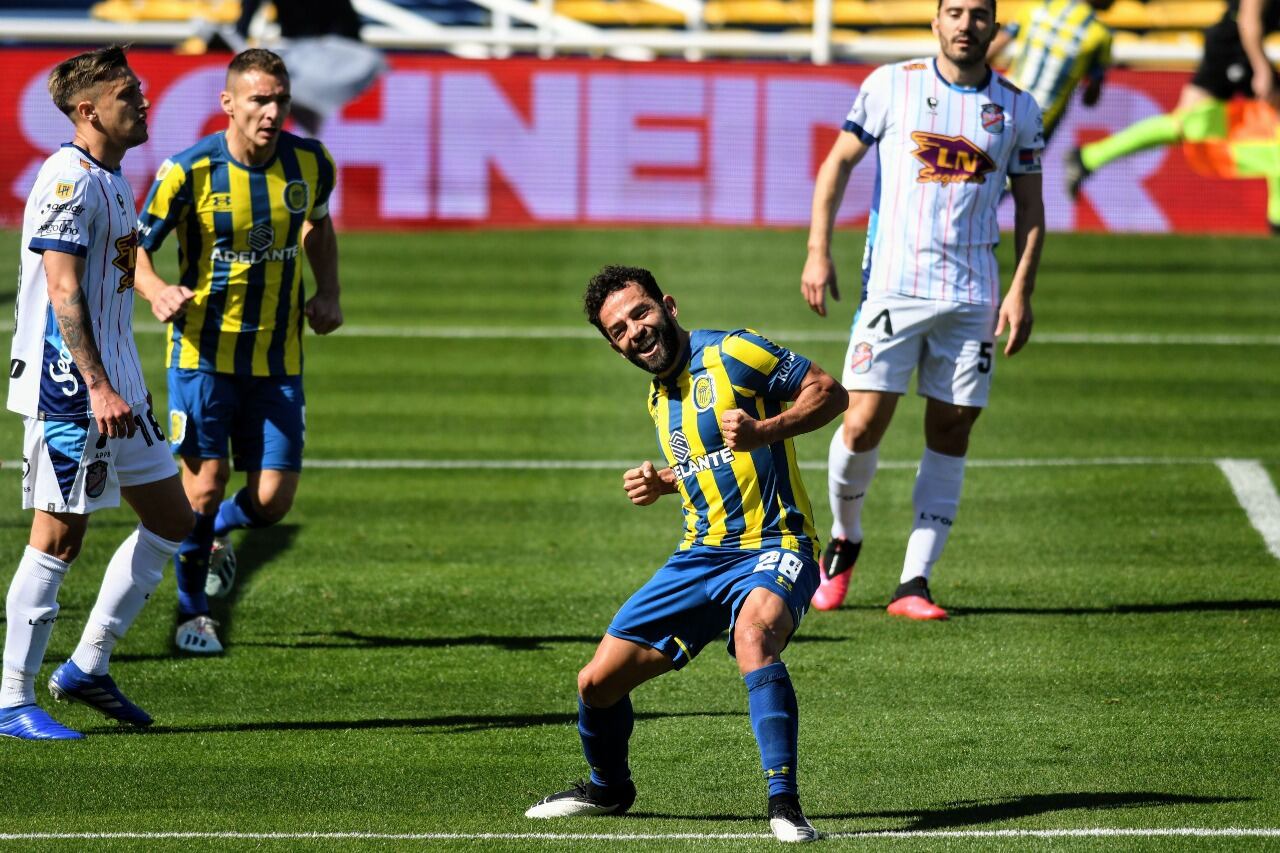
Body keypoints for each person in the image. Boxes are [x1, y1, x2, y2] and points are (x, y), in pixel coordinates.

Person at [525, 266, 848, 843]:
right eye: (619, 330)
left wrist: (766, 429)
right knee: (595, 683)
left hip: (777, 543)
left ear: (668, 306)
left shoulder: (735, 351)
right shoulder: (658, 397)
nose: (635, 332)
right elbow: (713, 463)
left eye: (640, 313)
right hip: (698, 558)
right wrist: (665, 483)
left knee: (754, 638)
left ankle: (784, 804)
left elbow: (830, 392)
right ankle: (608, 788)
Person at [801, 0, 1045, 619]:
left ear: (994, 26)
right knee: (859, 424)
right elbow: (836, 165)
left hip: (972, 296)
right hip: (892, 286)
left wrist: (1021, 289)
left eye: (979, 14)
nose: (966, 24)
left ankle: (914, 581)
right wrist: (817, 251)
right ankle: (844, 538)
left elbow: (1032, 210)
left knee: (952, 429)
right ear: (935, 22)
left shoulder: (1018, 107)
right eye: (954, 12)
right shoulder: (891, 85)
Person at [0, 46, 194, 740]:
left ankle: (87, 665)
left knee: (173, 518)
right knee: (57, 536)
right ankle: (12, 698)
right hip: (73, 389)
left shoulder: (110, 176)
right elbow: (61, 290)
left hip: (120, 385)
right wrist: (96, 385)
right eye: (127, 95)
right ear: (87, 110)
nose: (142, 102)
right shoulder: (67, 180)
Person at [134, 48, 342, 655]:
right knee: (202, 486)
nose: (273, 111)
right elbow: (134, 248)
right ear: (228, 103)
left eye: (280, 98)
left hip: (279, 358)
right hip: (201, 354)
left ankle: (220, 530)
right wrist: (154, 290)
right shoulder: (187, 171)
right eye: (259, 99)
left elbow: (317, 226)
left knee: (273, 502)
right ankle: (194, 612)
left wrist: (328, 290)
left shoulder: (311, 162)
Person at [1066, 0, 1280, 230]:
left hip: (1235, 42)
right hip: (1237, 46)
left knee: (1186, 124)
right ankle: (1277, 217)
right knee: (1188, 125)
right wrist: (1261, 68)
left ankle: (1089, 157)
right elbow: (1249, 17)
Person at [987, 0, 1114, 142]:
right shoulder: (1101, 35)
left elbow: (989, 53)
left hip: (1002, 107)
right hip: (1040, 122)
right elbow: (1090, 99)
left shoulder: (1036, 9)